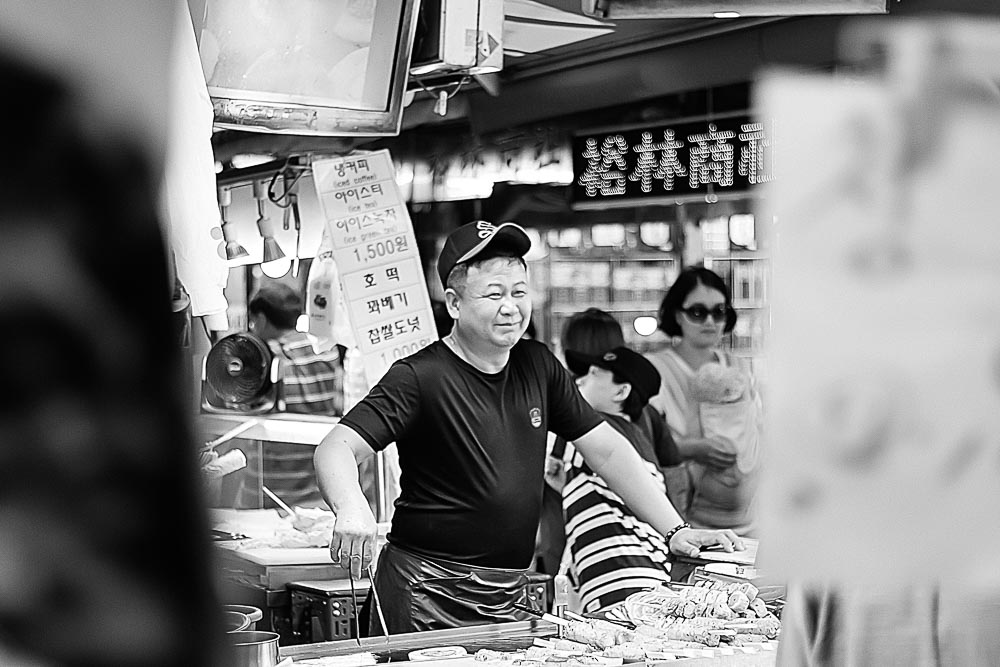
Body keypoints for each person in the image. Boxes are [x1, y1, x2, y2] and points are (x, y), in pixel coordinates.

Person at [314, 220, 743, 635]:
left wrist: (676, 530)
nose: (511, 306)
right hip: (425, 591)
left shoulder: (537, 364)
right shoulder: (419, 377)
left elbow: (606, 450)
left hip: (508, 593)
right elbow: (335, 447)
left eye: (519, 292)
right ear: (455, 303)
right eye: (494, 293)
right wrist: (352, 507)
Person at [644, 266, 762, 536]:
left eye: (719, 311)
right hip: (683, 523)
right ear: (678, 314)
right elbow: (641, 442)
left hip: (750, 521)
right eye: (698, 312)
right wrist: (692, 448)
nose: (709, 321)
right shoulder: (655, 369)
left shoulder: (738, 366)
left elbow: (757, 428)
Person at [562, 346, 678, 613]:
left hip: (622, 581)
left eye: (592, 374)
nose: (578, 380)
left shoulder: (592, 432)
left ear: (621, 392)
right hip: (648, 576)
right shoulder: (635, 437)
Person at [242, 282, 345, 509]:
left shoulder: (262, 358)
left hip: (269, 492)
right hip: (319, 488)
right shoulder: (326, 348)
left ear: (259, 319)